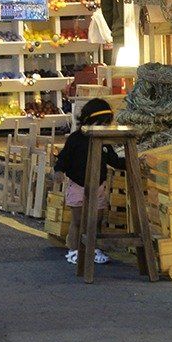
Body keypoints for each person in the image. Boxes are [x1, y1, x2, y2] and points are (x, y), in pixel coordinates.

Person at [54, 98, 122, 266]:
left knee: (96, 220)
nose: (104, 127)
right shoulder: (76, 139)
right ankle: (74, 249)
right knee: (78, 220)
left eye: (107, 124)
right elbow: (64, 158)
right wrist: (58, 171)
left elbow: (114, 160)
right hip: (78, 184)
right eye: (102, 123)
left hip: (98, 186)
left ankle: (93, 248)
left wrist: (132, 164)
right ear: (90, 120)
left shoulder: (104, 141)